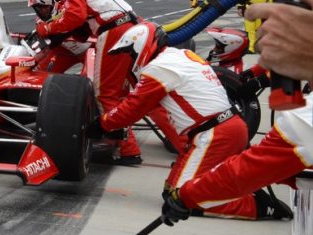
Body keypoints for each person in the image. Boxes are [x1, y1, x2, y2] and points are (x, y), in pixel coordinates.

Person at [93, 22, 286, 219]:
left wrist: (101, 124)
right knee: (170, 192)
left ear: (142, 48)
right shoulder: (181, 56)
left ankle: (257, 206)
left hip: (215, 134)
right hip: (223, 128)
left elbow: (133, 107)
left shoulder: (159, 68)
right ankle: (243, 194)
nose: (129, 59)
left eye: (130, 54)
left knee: (184, 200)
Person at [161, 0, 313, 226]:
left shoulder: (306, 121)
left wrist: (187, 197)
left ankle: (260, 207)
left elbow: (247, 170)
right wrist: (253, 77)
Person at [20, 0, 182, 164]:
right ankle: (184, 143)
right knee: (145, 93)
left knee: (105, 93)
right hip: (133, 27)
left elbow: (74, 17)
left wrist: (46, 28)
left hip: (115, 30)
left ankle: (126, 149)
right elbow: (82, 24)